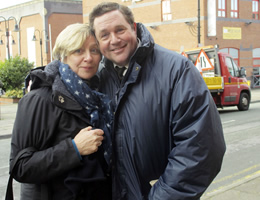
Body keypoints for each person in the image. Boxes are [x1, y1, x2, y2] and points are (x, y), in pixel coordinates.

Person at [89, 2, 226, 199]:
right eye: (104, 35)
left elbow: (201, 148)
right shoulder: (98, 78)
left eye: (120, 30)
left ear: (134, 28)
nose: (114, 40)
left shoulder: (178, 70)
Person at [10, 23, 112, 200]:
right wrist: (74, 149)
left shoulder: (100, 97)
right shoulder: (40, 99)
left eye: (94, 50)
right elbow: (20, 167)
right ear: (63, 56)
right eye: (78, 51)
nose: (88, 58)